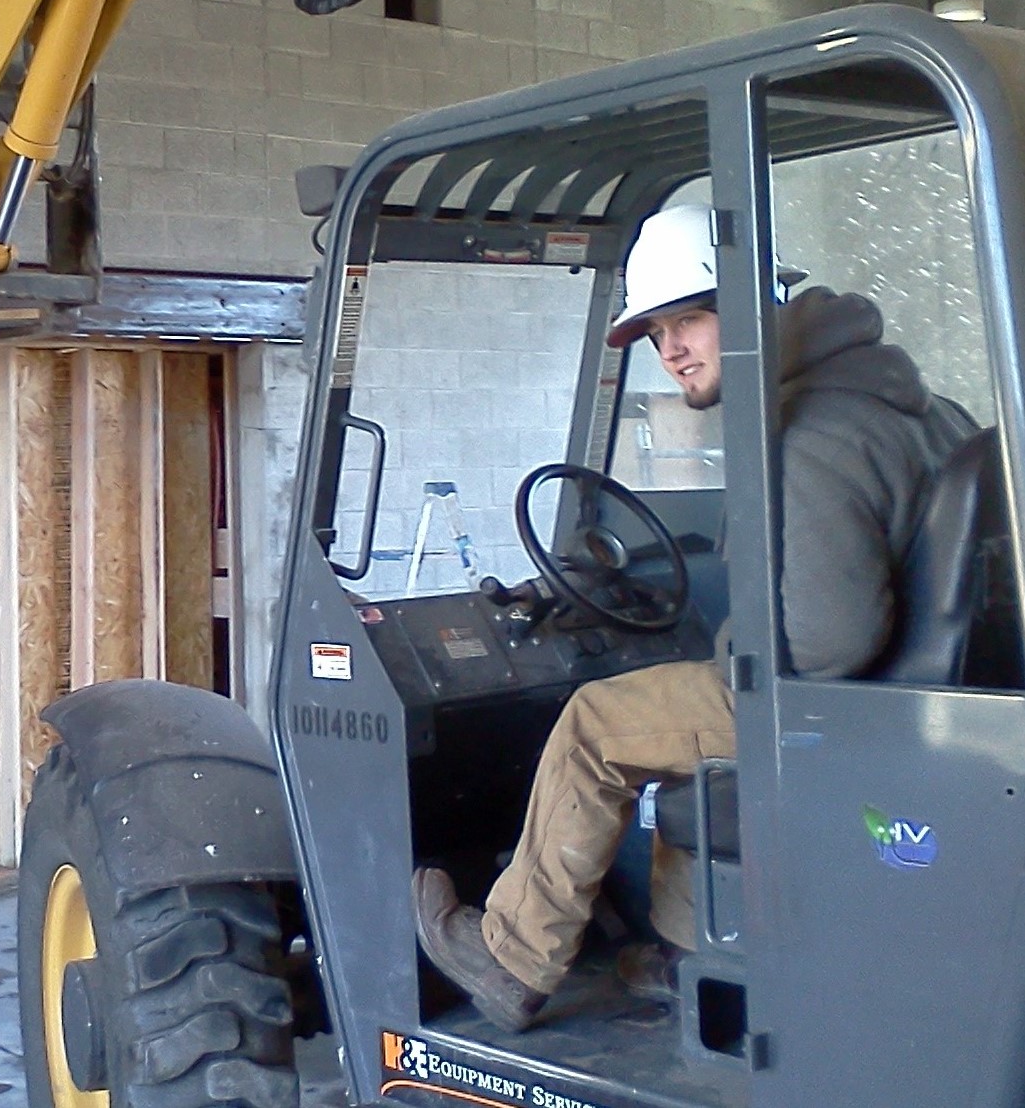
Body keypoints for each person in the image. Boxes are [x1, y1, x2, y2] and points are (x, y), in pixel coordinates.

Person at [412, 197, 977, 1034]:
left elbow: (826, 641)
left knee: (599, 720)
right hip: (915, 705)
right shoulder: (914, 407)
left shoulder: (805, 434)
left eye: (689, 320)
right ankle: (692, 957)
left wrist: (726, 650)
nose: (670, 348)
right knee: (672, 722)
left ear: (755, 306)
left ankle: (510, 958)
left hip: (833, 707)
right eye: (654, 331)